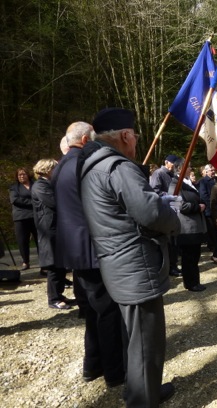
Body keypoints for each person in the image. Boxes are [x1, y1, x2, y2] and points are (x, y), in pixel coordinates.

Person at [78, 107, 181, 407]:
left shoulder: (92, 167)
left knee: (133, 337)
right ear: (124, 135)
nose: (136, 139)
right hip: (135, 265)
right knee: (147, 340)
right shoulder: (117, 167)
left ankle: (141, 389)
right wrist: (172, 216)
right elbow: (149, 212)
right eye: (134, 134)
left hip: (118, 263)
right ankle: (142, 400)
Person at [53, 121, 124, 386]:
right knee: (107, 312)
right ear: (84, 140)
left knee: (93, 312)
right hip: (93, 249)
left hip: (75, 250)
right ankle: (115, 372)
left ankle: (92, 365)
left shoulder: (61, 165)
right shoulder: (81, 164)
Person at [31, 159, 71, 309]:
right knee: (53, 265)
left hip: (56, 228)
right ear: (47, 170)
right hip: (49, 229)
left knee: (60, 264)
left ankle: (59, 294)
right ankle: (53, 298)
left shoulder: (48, 184)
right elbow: (54, 202)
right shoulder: (40, 186)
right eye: (55, 168)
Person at [168, 159, 207, 291]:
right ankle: (190, 283)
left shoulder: (188, 183)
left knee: (195, 255)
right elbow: (178, 204)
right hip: (186, 227)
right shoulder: (175, 183)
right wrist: (197, 207)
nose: (191, 169)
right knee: (189, 257)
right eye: (189, 167)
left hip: (194, 225)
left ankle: (194, 281)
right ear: (180, 169)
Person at [9, 167, 38, 270]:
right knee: (22, 241)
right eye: (19, 175)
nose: (22, 176)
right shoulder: (14, 187)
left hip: (36, 216)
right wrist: (34, 203)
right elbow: (15, 200)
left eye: (23, 174)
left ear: (28, 175)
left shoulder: (36, 185)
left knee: (40, 240)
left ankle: (45, 263)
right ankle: (25, 261)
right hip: (21, 218)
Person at [199, 164, 217, 252]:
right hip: (209, 209)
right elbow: (204, 196)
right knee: (211, 229)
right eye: (211, 170)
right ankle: (212, 245)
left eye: (214, 170)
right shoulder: (203, 181)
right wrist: (211, 206)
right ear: (206, 172)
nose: (213, 172)